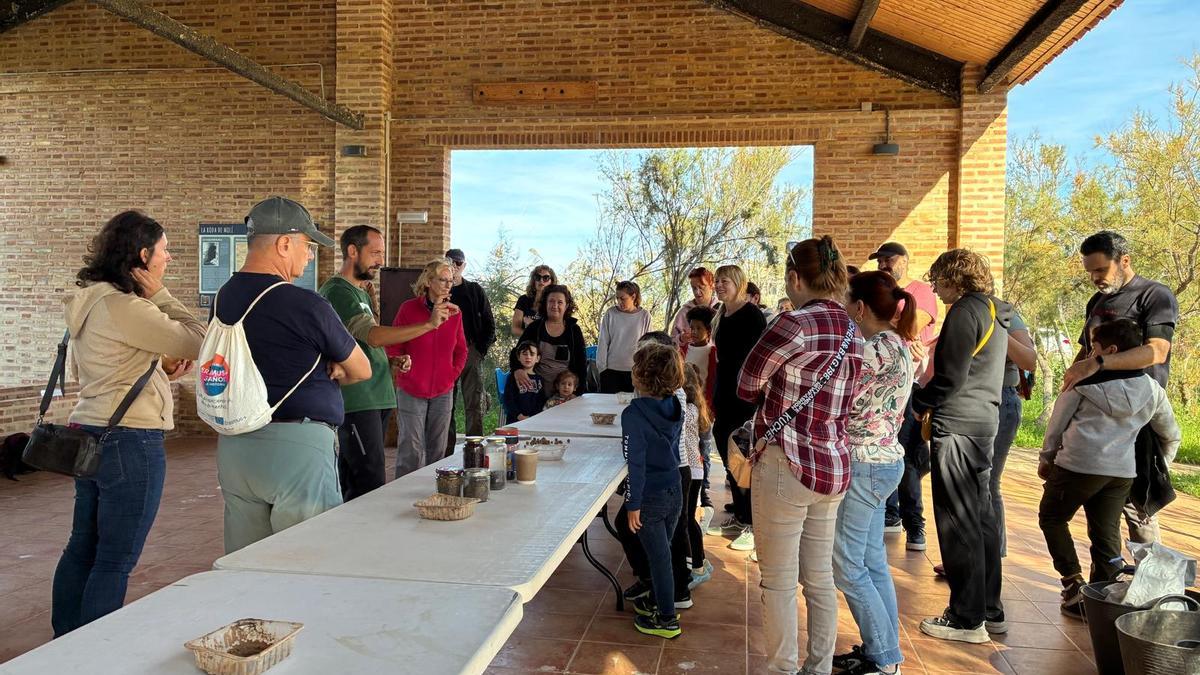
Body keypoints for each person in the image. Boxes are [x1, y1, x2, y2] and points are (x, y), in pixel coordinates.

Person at [53, 211, 206, 636]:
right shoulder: (126, 305)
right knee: (115, 558)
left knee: (82, 546)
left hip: (91, 432)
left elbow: (114, 361)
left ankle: (63, 643)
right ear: (143, 255)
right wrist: (162, 297)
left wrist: (158, 369)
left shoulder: (90, 299)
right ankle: (94, 650)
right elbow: (201, 340)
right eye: (164, 250)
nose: (169, 259)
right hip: (129, 439)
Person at [213, 197, 371, 554]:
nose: (310, 255)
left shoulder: (224, 297)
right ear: (284, 243)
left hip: (236, 444)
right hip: (297, 450)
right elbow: (362, 368)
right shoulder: (306, 304)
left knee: (246, 561)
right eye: (308, 245)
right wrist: (334, 368)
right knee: (305, 561)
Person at [738, 236, 863, 675]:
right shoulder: (854, 331)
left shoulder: (792, 324)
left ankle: (782, 670)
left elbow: (747, 384)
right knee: (820, 578)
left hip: (785, 464)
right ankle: (819, 667)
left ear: (795, 277)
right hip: (832, 465)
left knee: (777, 581)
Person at [1039, 318, 1181, 617]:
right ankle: (1098, 604)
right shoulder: (1152, 389)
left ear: (1111, 350)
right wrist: (1159, 467)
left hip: (1076, 465)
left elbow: (1056, 426)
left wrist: (1047, 458)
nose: (1090, 354)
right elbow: (1171, 434)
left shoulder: (1082, 382)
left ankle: (1073, 581)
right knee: (1105, 535)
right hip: (1120, 473)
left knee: (1052, 518)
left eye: (1094, 348)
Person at [911, 248, 1012, 644]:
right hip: (984, 422)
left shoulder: (965, 312)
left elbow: (949, 377)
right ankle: (990, 609)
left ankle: (966, 618)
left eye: (938, 279)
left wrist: (918, 402)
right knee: (981, 516)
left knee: (957, 520)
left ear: (956, 277)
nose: (934, 287)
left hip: (957, 424)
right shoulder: (995, 311)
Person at [1063, 230, 1179, 544]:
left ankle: (1151, 586)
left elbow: (1157, 351)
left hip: (1136, 414)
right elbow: (1085, 351)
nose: (1095, 278)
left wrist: (1099, 364)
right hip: (1095, 415)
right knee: (1100, 510)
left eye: (1101, 270)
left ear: (1124, 261)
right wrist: (1074, 377)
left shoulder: (1155, 296)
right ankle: (1106, 583)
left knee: (1137, 506)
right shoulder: (1096, 301)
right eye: (1090, 272)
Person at [831, 271, 917, 675]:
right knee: (871, 561)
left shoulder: (871, 352)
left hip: (864, 465)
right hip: (884, 462)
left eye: (846, 302)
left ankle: (884, 658)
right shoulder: (897, 345)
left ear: (860, 308)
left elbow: (837, 398)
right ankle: (882, 650)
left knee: (847, 565)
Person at [319, 225, 424, 501]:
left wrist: (391, 361)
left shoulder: (362, 292)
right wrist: (428, 325)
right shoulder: (338, 291)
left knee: (366, 478)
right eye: (375, 253)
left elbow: (364, 345)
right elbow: (373, 336)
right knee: (368, 482)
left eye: (382, 253)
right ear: (353, 251)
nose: (380, 260)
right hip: (357, 399)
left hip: (376, 395)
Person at [872, 242, 939, 553]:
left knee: (908, 456)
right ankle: (890, 512)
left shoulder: (920, 291)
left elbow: (913, 326)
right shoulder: (880, 293)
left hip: (910, 383)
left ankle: (915, 525)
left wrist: (884, 324)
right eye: (881, 260)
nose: (884, 264)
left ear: (905, 261)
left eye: (890, 259)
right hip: (879, 383)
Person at [622, 342, 687, 639]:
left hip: (650, 496)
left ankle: (667, 619)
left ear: (641, 376)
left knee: (659, 559)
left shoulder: (633, 414)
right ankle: (659, 602)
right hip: (675, 488)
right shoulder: (675, 404)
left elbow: (635, 463)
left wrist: (632, 503)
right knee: (662, 553)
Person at [387, 258, 468, 478]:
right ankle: (402, 493)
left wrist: (451, 375)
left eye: (451, 281)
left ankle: (436, 493)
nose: (447, 285)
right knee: (410, 449)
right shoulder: (408, 309)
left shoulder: (455, 313)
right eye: (442, 280)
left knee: (438, 449)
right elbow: (393, 346)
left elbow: (462, 350)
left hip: (443, 389)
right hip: (412, 387)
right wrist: (399, 360)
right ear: (429, 281)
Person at [706, 264, 766, 552]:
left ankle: (753, 525)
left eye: (724, 281)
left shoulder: (752, 315)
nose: (718, 285)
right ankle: (740, 515)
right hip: (725, 395)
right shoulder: (722, 313)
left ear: (739, 283)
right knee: (726, 451)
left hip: (745, 399)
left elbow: (758, 360)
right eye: (717, 281)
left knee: (744, 459)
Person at [445, 248, 496, 455]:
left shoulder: (474, 290)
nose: (454, 266)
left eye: (458, 263)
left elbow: (489, 323)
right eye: (450, 261)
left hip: (470, 351)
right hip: (445, 354)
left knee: (474, 403)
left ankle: (474, 449)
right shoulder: (441, 291)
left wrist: (479, 351)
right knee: (445, 404)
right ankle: (445, 450)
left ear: (464, 265)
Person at [516, 284, 586, 395]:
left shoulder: (574, 330)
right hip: (536, 391)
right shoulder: (534, 328)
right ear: (545, 304)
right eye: (551, 301)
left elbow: (581, 365)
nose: (555, 305)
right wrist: (517, 370)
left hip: (565, 393)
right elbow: (517, 352)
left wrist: (577, 395)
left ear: (567, 305)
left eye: (560, 302)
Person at [684, 305, 718, 516]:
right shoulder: (683, 350)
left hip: (703, 408)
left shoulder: (712, 352)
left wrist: (711, 407)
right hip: (686, 408)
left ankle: (703, 487)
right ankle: (689, 484)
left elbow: (713, 382)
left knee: (703, 448)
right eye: (692, 327)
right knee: (687, 446)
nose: (693, 331)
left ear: (708, 330)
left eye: (698, 327)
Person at [682, 363, 713, 589]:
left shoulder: (685, 408)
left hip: (690, 471)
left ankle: (698, 567)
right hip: (695, 470)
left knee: (686, 521)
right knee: (687, 519)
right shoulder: (694, 406)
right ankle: (701, 560)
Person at [597, 280, 652, 393]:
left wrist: (646, 369)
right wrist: (602, 369)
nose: (619, 302)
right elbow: (603, 342)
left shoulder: (645, 316)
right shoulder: (610, 314)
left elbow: (648, 345)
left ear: (633, 296)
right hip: (611, 371)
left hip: (636, 372)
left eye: (623, 298)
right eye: (617, 298)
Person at [670, 266, 719, 350]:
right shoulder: (684, 312)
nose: (697, 292)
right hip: (689, 361)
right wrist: (681, 338)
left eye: (701, 287)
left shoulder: (721, 310)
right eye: (694, 288)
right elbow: (671, 343)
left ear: (712, 286)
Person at [503, 341, 544, 423]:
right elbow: (508, 399)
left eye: (532, 354)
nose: (528, 357)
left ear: (537, 358)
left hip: (533, 421)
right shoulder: (512, 377)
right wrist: (518, 415)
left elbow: (541, 401)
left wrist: (533, 416)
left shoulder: (540, 380)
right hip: (514, 421)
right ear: (518, 357)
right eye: (525, 354)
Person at [511, 265, 557, 336]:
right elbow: (515, 329)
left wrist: (532, 324)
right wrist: (535, 335)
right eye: (538, 277)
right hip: (526, 344)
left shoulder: (555, 303)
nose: (541, 280)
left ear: (552, 281)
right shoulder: (523, 300)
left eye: (546, 278)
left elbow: (554, 331)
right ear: (534, 280)